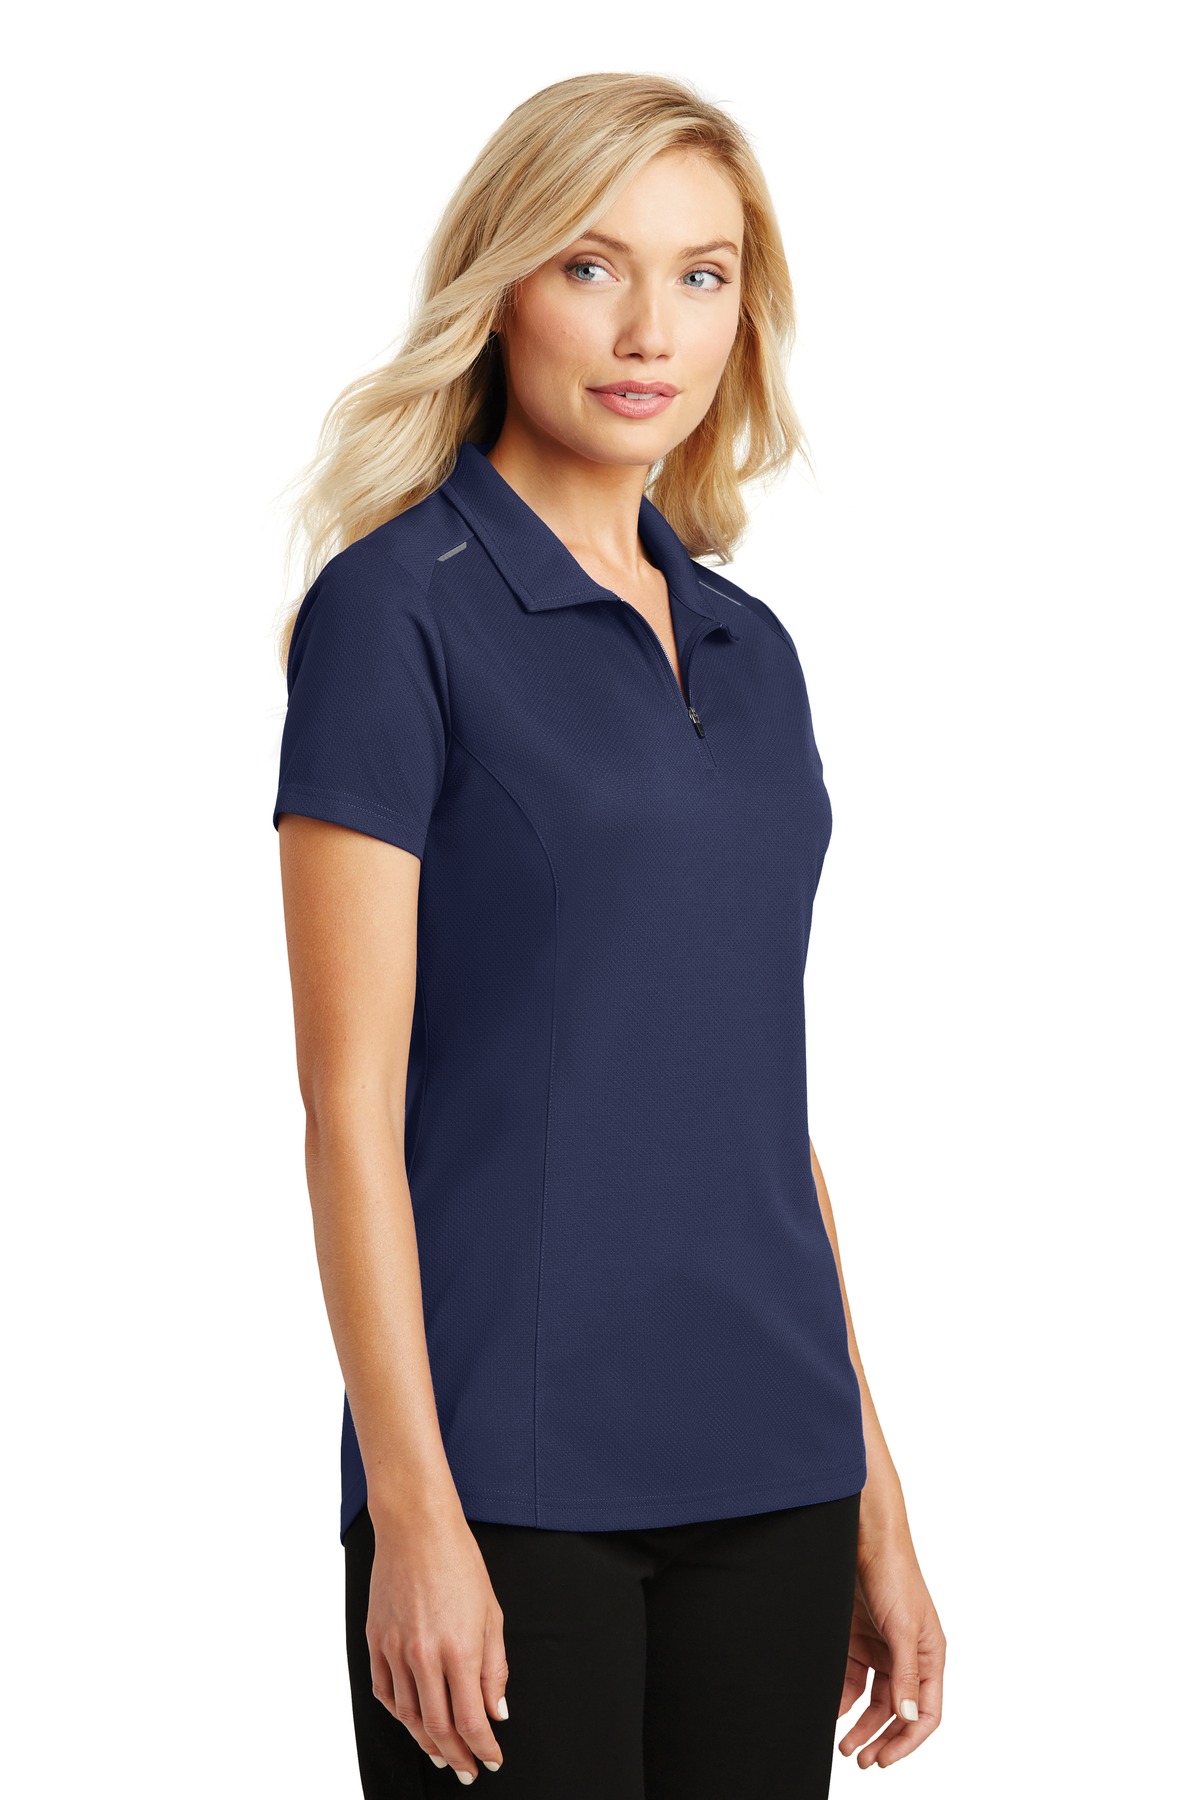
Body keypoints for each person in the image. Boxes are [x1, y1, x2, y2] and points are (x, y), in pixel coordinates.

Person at [272, 70, 946, 1798]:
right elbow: (348, 1111)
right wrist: (411, 1512)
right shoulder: (394, 615)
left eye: (703, 275)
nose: (653, 329)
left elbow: (751, 1102)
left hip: (776, 1474)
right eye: (593, 265)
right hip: (512, 1481)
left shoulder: (753, 649)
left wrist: (874, 1489)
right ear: (501, 288)